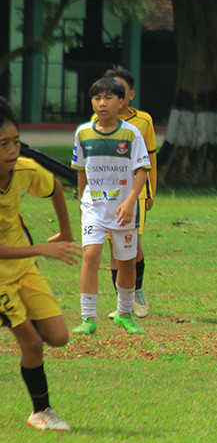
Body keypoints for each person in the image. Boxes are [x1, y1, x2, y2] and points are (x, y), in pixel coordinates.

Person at [0, 98, 82, 430]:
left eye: (16, 141)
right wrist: (41, 250)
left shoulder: (24, 170)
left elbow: (56, 189)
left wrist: (65, 230)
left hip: (24, 271)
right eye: (4, 143)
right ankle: (41, 412)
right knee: (32, 343)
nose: (12, 149)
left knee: (58, 336)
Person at [71, 77, 151, 337]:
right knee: (91, 255)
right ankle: (88, 318)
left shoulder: (131, 133)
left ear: (121, 101)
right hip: (94, 208)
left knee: (126, 263)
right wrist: (82, 198)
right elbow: (81, 170)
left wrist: (130, 201)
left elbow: (141, 171)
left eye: (108, 98)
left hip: (123, 210)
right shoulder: (83, 132)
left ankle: (125, 313)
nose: (102, 104)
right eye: (97, 98)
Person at [97, 66, 157, 320]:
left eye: (118, 91)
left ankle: (138, 294)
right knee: (113, 247)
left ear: (129, 95)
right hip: (107, 193)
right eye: (107, 92)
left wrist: (151, 191)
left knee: (132, 244)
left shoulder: (142, 121)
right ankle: (124, 302)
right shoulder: (95, 122)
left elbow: (150, 159)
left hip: (135, 193)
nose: (111, 97)